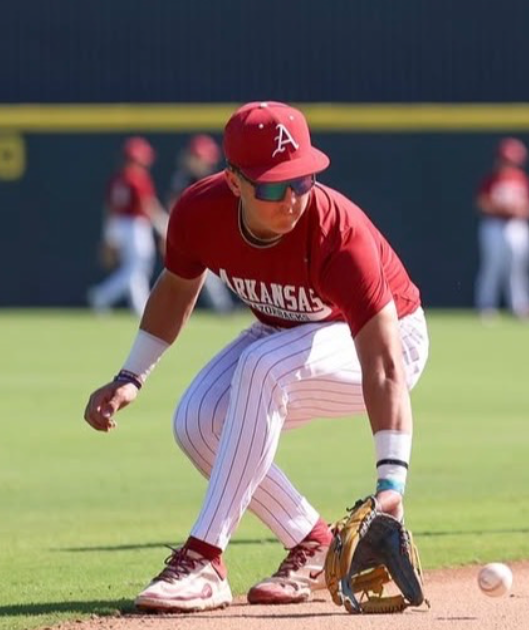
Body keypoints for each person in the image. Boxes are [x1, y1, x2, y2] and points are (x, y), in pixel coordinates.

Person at [82, 101, 430, 612]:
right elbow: (177, 289)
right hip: (288, 330)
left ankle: (204, 560)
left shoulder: (339, 233)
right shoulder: (200, 212)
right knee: (198, 422)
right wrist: (131, 374)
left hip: (389, 341)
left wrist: (391, 483)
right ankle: (312, 543)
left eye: (303, 180)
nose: (291, 198)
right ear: (234, 181)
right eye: (272, 185)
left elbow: (383, 363)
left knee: (262, 367)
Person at [87, 136, 166, 316]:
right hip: (134, 226)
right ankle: (102, 295)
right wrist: (164, 226)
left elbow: (109, 209)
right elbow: (148, 205)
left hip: (117, 224)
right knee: (137, 268)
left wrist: (108, 235)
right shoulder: (137, 178)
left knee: (135, 269)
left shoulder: (117, 178)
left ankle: (142, 308)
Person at [165, 134, 235, 315]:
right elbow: (174, 207)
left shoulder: (213, 180)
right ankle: (222, 307)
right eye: (198, 158)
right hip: (190, 233)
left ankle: (223, 306)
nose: (203, 163)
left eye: (203, 159)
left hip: (208, 232)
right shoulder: (184, 179)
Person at [474, 137, 529, 320]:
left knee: (518, 268)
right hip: (494, 225)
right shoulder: (490, 179)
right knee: (492, 267)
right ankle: (486, 305)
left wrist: (519, 210)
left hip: (517, 226)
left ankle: (521, 306)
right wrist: (502, 209)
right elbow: (481, 204)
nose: (508, 163)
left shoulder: (522, 179)